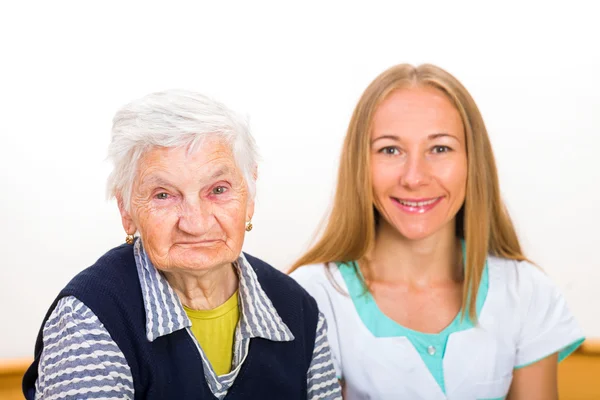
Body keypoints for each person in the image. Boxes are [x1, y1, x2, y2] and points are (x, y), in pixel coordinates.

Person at [289, 64, 584, 400]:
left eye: (440, 148)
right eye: (390, 150)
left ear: (473, 162)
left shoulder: (527, 292)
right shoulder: (310, 298)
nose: (414, 177)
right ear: (360, 164)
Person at [23, 90, 341, 400]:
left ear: (250, 197)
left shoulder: (298, 311)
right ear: (126, 211)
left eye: (218, 189)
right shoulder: (90, 319)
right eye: (163, 195)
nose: (195, 223)